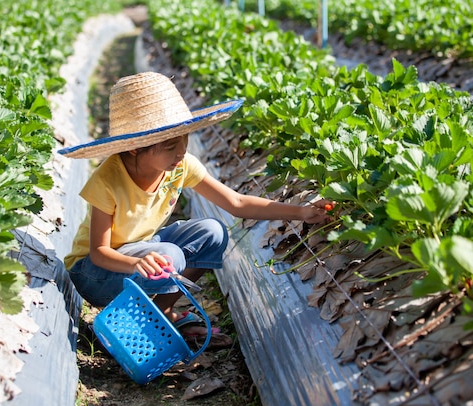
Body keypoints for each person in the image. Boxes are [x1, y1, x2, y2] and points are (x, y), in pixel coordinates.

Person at [59, 71, 332, 339]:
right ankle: (138, 323)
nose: (181, 151)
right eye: (169, 146)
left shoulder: (179, 166)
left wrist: (301, 212)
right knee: (169, 256)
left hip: (143, 249)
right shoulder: (108, 180)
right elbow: (99, 252)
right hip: (94, 273)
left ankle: (162, 311)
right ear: (134, 147)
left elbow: (236, 203)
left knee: (213, 232)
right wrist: (136, 262)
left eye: (184, 140)